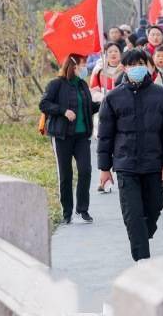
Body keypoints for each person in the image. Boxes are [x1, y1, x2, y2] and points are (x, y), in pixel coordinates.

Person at [97, 49, 163, 262]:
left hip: (153, 164)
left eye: (141, 64)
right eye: (131, 65)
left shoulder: (162, 95)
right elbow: (105, 136)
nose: (136, 69)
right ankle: (143, 261)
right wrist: (104, 168)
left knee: (154, 209)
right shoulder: (113, 98)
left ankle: (143, 235)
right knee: (133, 216)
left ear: (149, 66)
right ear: (124, 68)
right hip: (126, 165)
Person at [40, 54, 100, 224]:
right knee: (65, 175)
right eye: (83, 64)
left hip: (82, 137)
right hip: (62, 136)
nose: (85, 68)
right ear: (73, 66)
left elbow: (88, 108)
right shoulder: (56, 84)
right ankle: (67, 212)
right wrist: (63, 111)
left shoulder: (82, 85)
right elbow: (43, 104)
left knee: (85, 171)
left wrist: (103, 102)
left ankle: (82, 209)